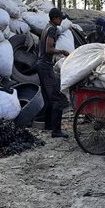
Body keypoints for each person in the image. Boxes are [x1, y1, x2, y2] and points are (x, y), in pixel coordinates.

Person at [37, 8, 70, 138]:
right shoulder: (52, 29)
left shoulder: (46, 27)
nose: (61, 20)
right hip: (45, 66)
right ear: (55, 18)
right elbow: (49, 49)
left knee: (48, 97)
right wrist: (62, 51)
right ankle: (56, 131)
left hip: (40, 65)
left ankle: (48, 125)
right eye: (60, 18)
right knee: (59, 98)